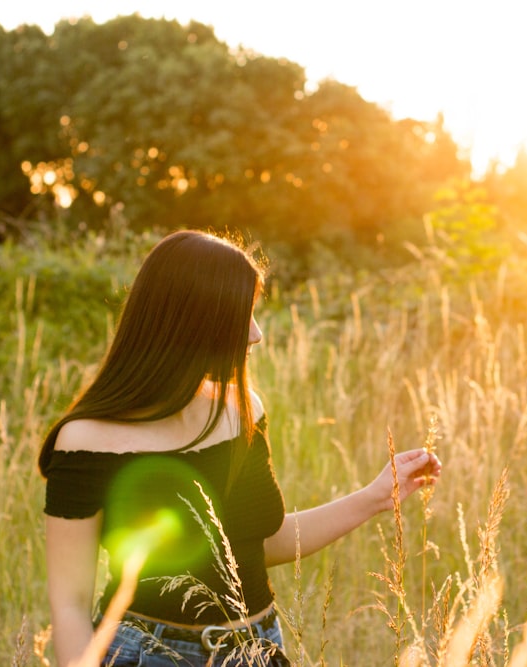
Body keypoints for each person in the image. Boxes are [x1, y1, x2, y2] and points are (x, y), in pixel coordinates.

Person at [40, 230, 442, 667]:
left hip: (256, 649)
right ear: (192, 321)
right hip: (147, 654)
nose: (257, 334)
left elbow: (263, 543)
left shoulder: (242, 410)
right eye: (242, 316)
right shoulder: (85, 441)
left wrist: (375, 497)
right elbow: (71, 604)